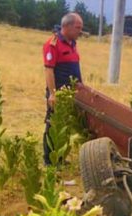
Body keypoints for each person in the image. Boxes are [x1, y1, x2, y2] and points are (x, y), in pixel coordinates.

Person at [42, 13, 83, 165]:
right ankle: (49, 160)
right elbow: (49, 70)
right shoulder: (53, 44)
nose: (80, 31)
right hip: (58, 93)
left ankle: (59, 157)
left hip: (71, 93)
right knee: (53, 124)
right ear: (67, 27)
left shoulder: (72, 43)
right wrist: (53, 94)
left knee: (65, 125)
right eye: (78, 28)